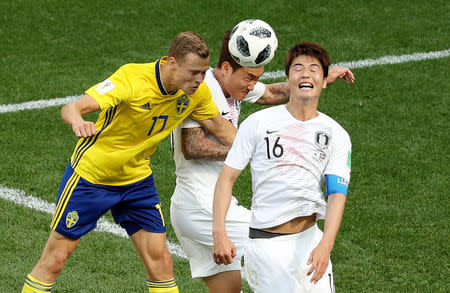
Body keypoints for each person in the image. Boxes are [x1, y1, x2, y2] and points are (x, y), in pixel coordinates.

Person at [21, 31, 237, 293]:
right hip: (92, 178)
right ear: (172, 63)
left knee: (161, 264)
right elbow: (72, 108)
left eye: (203, 72)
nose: (200, 80)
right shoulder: (131, 79)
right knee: (55, 260)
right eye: (193, 72)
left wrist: (258, 149)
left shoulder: (196, 93)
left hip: (137, 181)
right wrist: (79, 122)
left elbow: (221, 128)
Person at [171, 31, 354, 293]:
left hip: (200, 204)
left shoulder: (234, 84)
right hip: (200, 205)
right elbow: (192, 146)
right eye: (249, 79)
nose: (252, 85)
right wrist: (258, 151)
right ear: (225, 69)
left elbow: (270, 93)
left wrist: (315, 79)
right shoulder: (203, 89)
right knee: (276, 231)